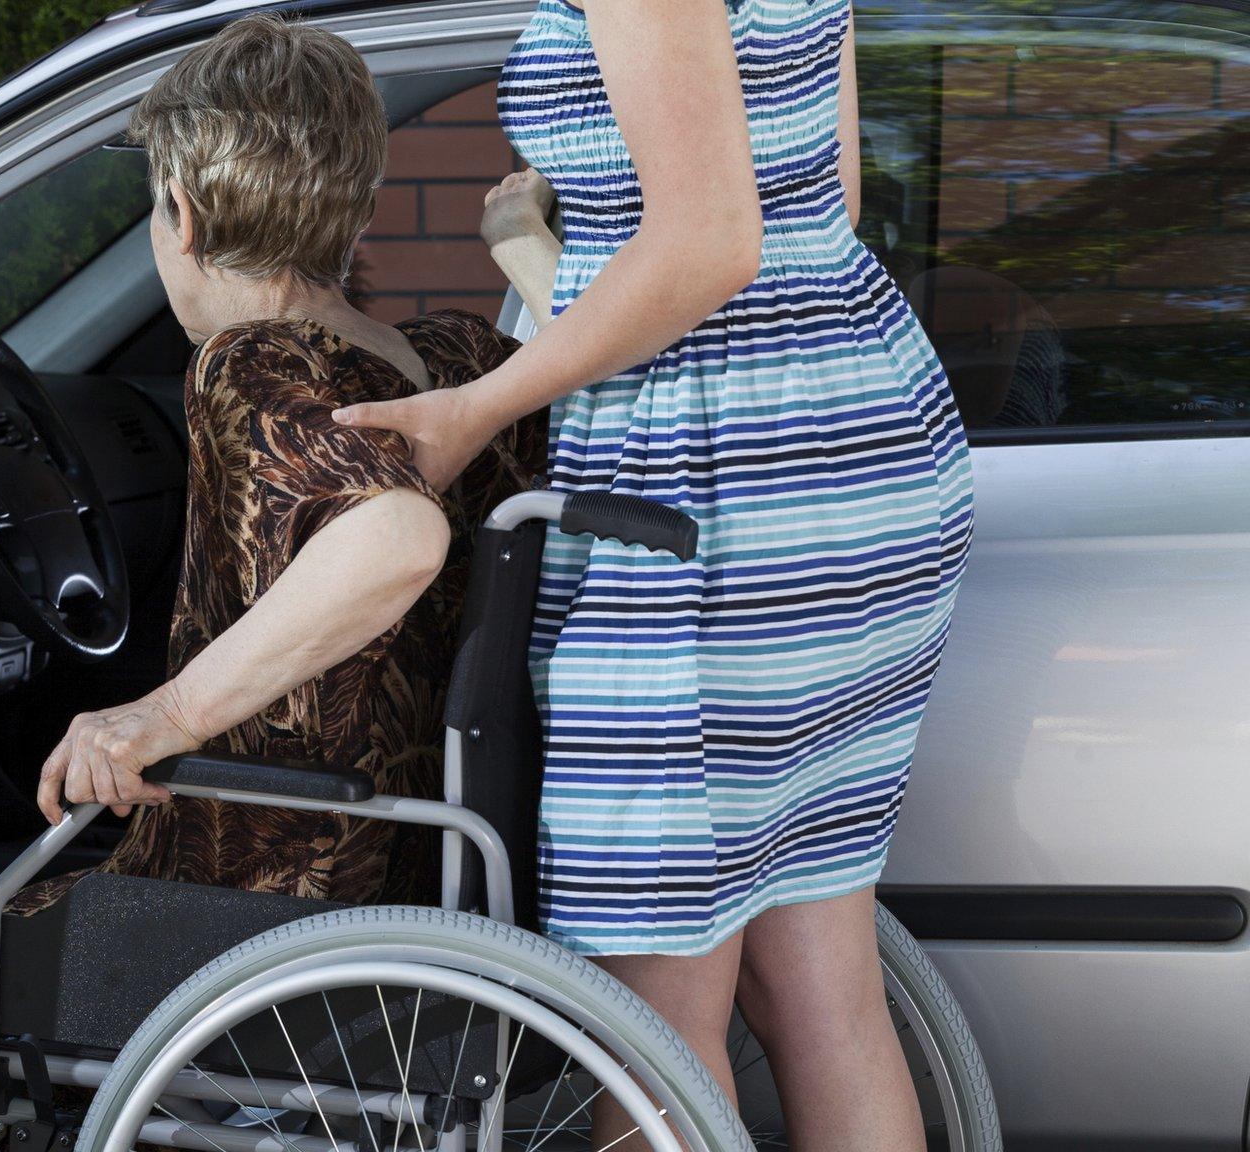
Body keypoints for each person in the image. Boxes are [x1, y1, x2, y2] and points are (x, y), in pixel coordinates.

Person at [0, 16, 543, 1151]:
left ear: (185, 215)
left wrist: (157, 714)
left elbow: (396, 537)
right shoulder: (455, 364)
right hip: (405, 875)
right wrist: (529, 263)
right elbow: (581, 403)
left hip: (259, 912)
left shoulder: (251, 363)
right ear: (351, 204)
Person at [333, 2, 975, 1148]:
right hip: (855, 448)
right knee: (813, 982)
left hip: (711, 497)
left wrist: (469, 411)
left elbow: (707, 246)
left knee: (649, 1028)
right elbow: (812, 202)